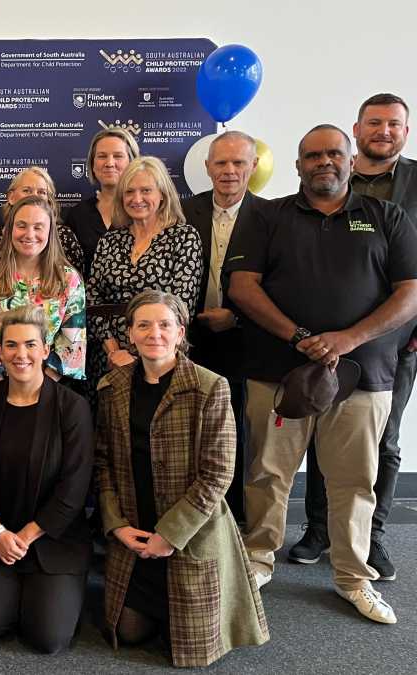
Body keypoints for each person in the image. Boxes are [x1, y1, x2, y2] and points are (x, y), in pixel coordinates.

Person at [228, 124, 417, 624]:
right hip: (279, 373)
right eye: (312, 156)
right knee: (267, 473)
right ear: (297, 166)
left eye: (334, 153)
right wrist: (298, 336)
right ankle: (258, 558)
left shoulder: (387, 217)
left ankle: (353, 577)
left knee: (355, 480)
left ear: (351, 161)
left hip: (364, 374)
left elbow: (410, 294)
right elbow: (243, 288)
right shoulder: (268, 217)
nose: (323, 162)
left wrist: (347, 339)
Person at [95, 290, 268, 667]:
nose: (153, 333)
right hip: (135, 529)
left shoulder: (210, 387)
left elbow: (217, 475)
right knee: (128, 632)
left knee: (187, 648)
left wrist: (170, 535)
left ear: (180, 332)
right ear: (130, 333)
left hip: (190, 533)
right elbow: (103, 464)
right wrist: (116, 525)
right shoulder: (112, 388)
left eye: (164, 324)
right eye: (143, 325)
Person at [296, 94, 417, 580]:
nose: (383, 131)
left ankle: (372, 538)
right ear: (356, 130)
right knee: (323, 432)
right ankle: (319, 530)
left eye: (393, 124)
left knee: (382, 441)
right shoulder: (323, 182)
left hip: (397, 340)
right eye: (374, 123)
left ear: (404, 132)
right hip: (327, 338)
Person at [0, 306, 92, 654]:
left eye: (30, 345)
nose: (21, 355)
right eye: (11, 345)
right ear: (0, 350)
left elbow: (74, 488)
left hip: (53, 538)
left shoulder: (72, 407)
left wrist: (23, 537)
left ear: (46, 350)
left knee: (47, 638)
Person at [180, 130, 267, 524]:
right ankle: (190, 509)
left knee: (237, 428)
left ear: (253, 166)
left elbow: (278, 283)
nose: (229, 171)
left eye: (238, 163)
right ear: (207, 168)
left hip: (246, 339)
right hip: (191, 339)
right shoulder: (184, 211)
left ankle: (233, 515)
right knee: (190, 426)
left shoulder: (271, 216)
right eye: (221, 163)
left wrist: (236, 315)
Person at [86, 156, 202, 387]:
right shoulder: (110, 240)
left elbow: (181, 306)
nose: (137, 199)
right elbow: (92, 298)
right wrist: (112, 350)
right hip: (109, 359)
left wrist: (140, 357)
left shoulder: (184, 237)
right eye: (129, 192)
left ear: (162, 194)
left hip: (162, 357)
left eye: (146, 190)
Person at [0, 196, 85, 385]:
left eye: (38, 227)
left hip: (51, 385)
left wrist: (43, 388)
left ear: (50, 232)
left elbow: (73, 341)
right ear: (10, 229)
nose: (29, 234)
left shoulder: (68, 279)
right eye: (21, 226)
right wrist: (3, 388)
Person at [64, 127, 140, 278]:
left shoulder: (143, 210)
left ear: (132, 162)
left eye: (118, 156)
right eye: (102, 156)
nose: (109, 163)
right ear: (92, 164)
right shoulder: (78, 215)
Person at [3, 167, 85, 272]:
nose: (34, 196)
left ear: (49, 200)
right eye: (26, 190)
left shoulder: (65, 237)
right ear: (11, 197)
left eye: (41, 192)